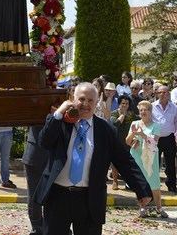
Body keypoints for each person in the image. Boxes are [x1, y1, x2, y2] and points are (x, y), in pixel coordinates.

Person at [34, 83, 152, 235]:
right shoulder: (60, 122)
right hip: (58, 197)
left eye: (90, 100)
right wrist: (58, 114)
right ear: (72, 99)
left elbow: (124, 161)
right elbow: (44, 142)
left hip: (89, 199)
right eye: (81, 99)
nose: (85, 104)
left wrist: (141, 189)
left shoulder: (106, 129)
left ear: (96, 103)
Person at [126, 100, 169, 218]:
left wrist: (142, 136)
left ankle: (159, 208)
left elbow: (154, 142)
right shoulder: (135, 123)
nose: (143, 112)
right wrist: (133, 135)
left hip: (150, 158)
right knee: (140, 184)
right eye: (141, 110)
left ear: (150, 111)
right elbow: (127, 141)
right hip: (137, 156)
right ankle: (142, 207)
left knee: (154, 184)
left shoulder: (156, 125)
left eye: (146, 110)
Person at [151, 84, 177, 193]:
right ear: (157, 94)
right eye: (161, 92)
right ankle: (154, 186)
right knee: (155, 164)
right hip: (155, 138)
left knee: (170, 163)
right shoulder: (152, 106)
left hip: (169, 138)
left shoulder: (174, 107)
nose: (163, 94)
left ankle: (171, 184)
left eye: (165, 92)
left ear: (168, 94)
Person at [23, 124, 48, 235]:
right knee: (34, 195)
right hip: (37, 153)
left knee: (34, 195)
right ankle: (38, 228)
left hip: (35, 152)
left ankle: (38, 228)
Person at [110, 95, 134, 190]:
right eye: (123, 103)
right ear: (119, 104)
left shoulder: (131, 114)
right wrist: (123, 115)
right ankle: (115, 181)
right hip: (116, 141)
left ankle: (128, 182)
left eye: (127, 103)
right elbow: (115, 124)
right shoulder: (114, 113)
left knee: (128, 163)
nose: (124, 105)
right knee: (115, 163)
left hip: (128, 142)